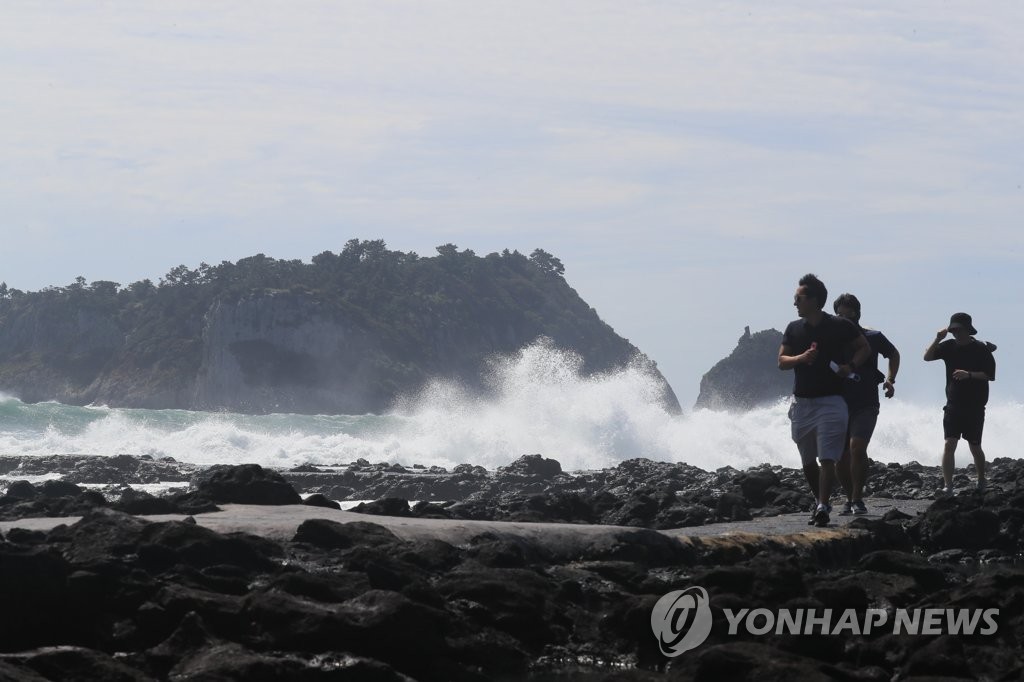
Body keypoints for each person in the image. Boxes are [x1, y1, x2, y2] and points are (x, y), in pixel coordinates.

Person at [779, 274, 870, 527]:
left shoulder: (840, 325)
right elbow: (781, 362)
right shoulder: (793, 328)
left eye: (798, 298)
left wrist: (849, 365)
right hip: (802, 403)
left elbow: (864, 347)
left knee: (827, 458)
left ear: (814, 300)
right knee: (808, 461)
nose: (794, 302)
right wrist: (802, 358)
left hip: (832, 401)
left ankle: (822, 505)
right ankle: (821, 499)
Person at [832, 293, 900, 515]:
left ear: (856, 313)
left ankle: (858, 498)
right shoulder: (832, 340)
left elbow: (893, 354)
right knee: (840, 457)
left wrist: (890, 380)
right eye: (839, 313)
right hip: (837, 403)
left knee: (857, 448)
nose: (843, 317)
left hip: (866, 403)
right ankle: (849, 496)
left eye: (847, 312)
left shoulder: (873, 336)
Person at [924, 312, 995, 495]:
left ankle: (981, 479)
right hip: (953, 404)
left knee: (975, 445)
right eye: (953, 330)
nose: (956, 333)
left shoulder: (981, 349)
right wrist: (937, 338)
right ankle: (948, 486)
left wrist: (969, 374)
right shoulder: (947, 346)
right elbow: (927, 357)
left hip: (975, 406)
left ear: (968, 330)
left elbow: (989, 375)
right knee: (949, 444)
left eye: (959, 330)